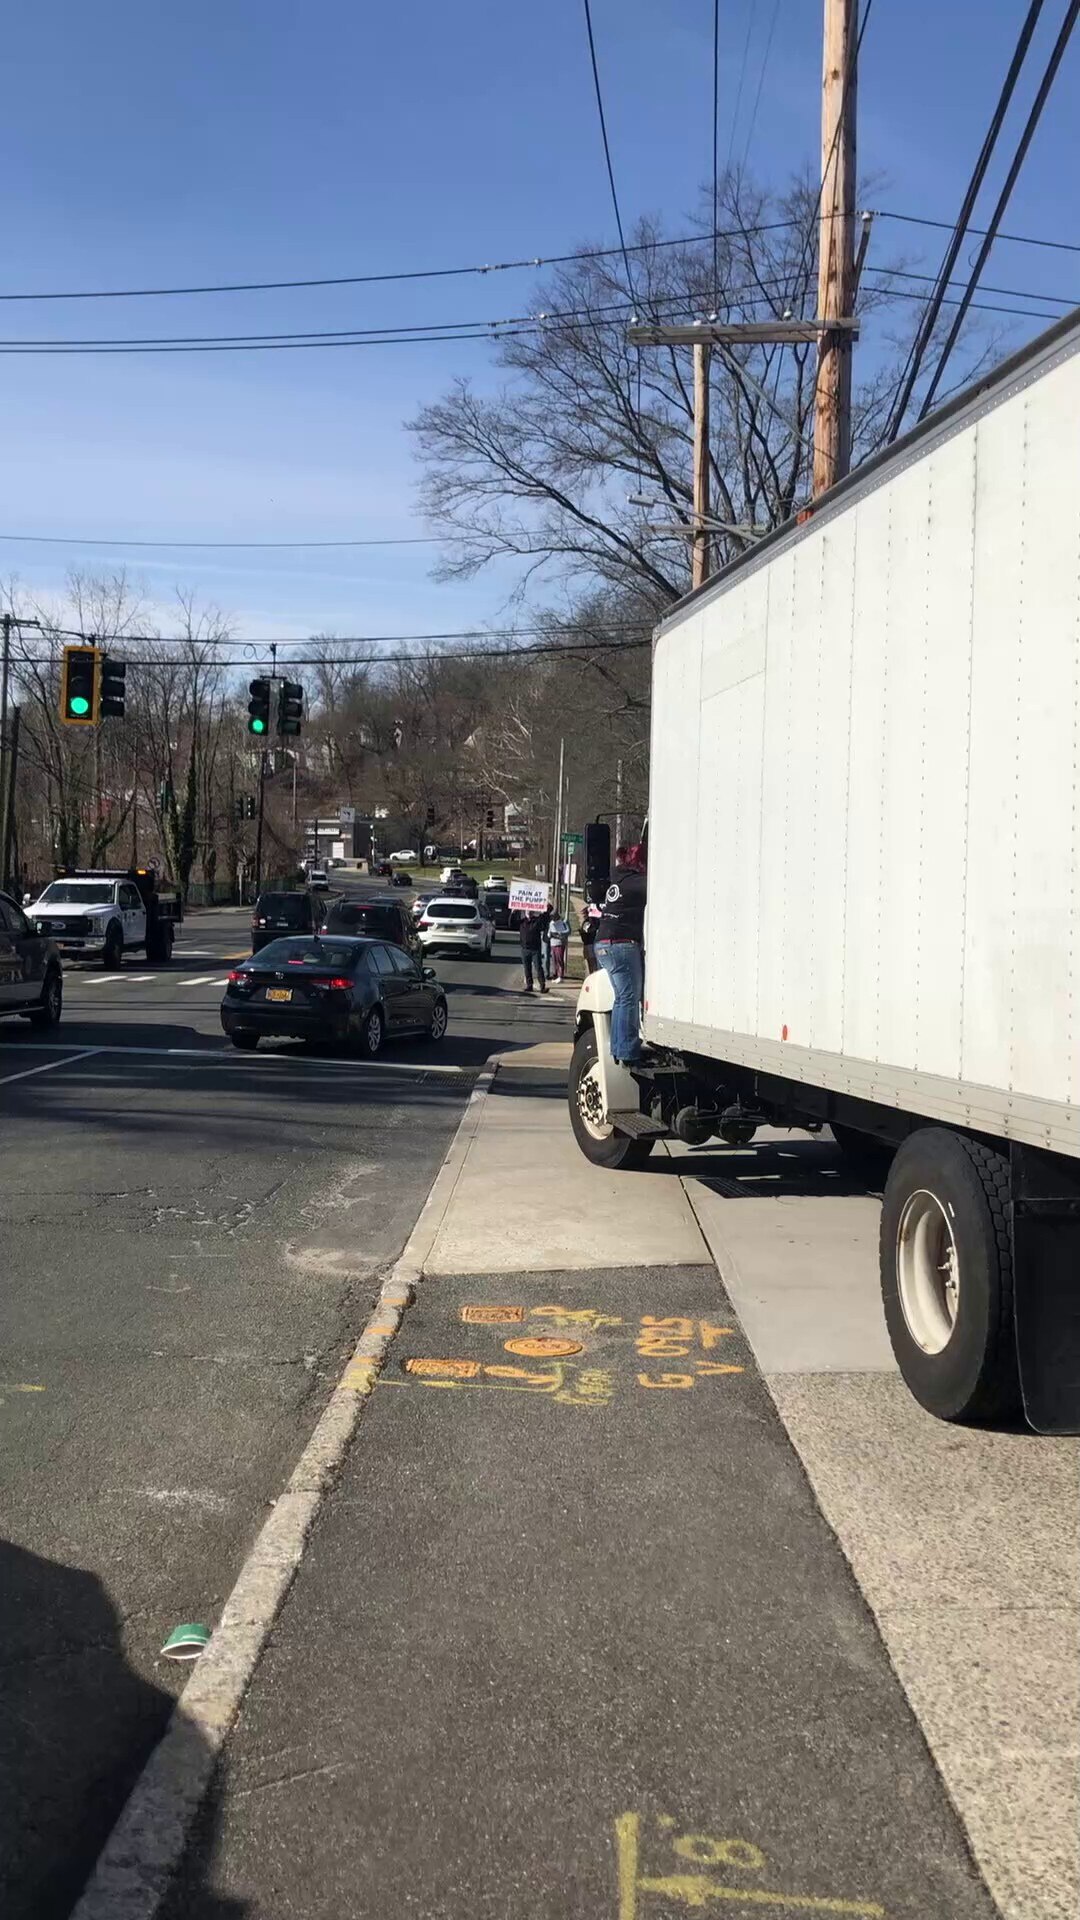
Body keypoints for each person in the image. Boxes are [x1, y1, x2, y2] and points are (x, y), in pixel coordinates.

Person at [594, 843, 650, 1065]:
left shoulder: (618, 882)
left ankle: (618, 1047)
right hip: (622, 944)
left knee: (621, 997)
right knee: (628, 997)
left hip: (603, 944)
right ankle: (627, 1050)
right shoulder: (639, 883)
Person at [519, 909, 547, 994]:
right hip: (525, 949)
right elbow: (512, 922)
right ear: (525, 912)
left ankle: (542, 985)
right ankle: (529, 985)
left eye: (531, 912)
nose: (529, 913)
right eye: (528, 912)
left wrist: (543, 914)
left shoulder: (537, 921)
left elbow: (543, 925)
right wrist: (513, 912)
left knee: (538, 967)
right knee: (527, 968)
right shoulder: (522, 922)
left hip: (535, 949)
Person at [547, 910, 570, 980]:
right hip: (553, 943)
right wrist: (549, 935)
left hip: (560, 943)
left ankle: (560, 974)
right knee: (554, 959)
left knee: (559, 958)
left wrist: (560, 933)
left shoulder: (563, 922)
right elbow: (549, 932)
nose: (552, 918)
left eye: (553, 916)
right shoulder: (551, 923)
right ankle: (555, 973)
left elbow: (568, 930)